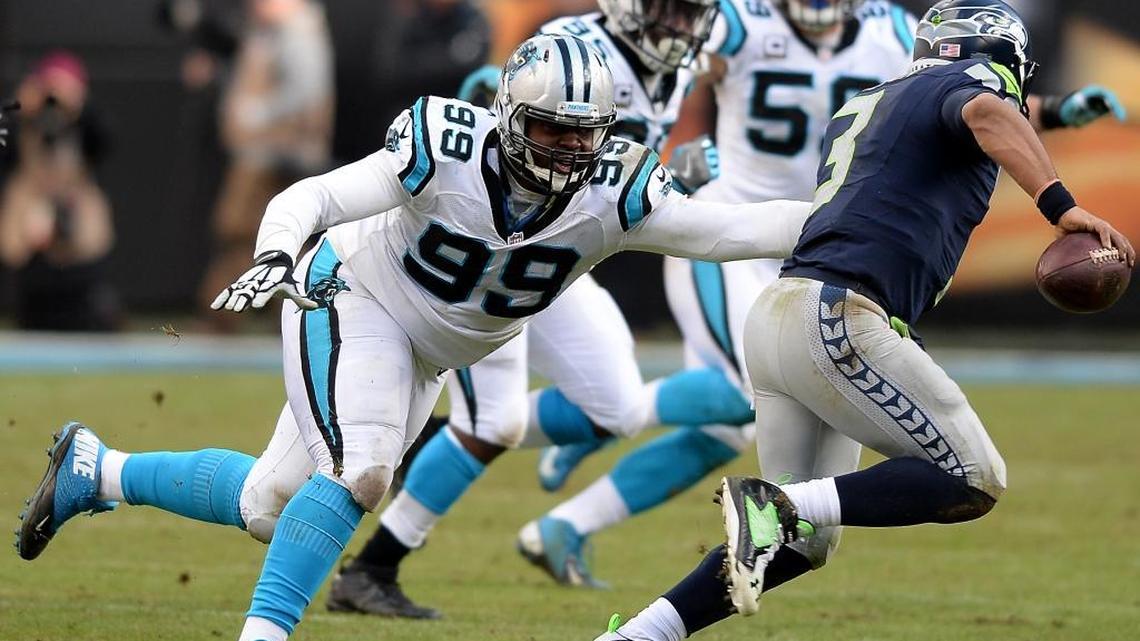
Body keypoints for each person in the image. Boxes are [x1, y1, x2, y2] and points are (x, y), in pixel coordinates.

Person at [16, 34, 812, 641]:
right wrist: (276, 251)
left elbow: (734, 230)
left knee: (267, 503)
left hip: (429, 349)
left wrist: (843, 222)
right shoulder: (446, 146)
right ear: (509, 116)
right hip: (352, 292)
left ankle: (97, 469)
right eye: (551, 130)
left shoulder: (616, 192)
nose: (571, 150)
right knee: (360, 468)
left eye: (585, 134)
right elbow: (314, 197)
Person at [523, 0, 1127, 589]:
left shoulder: (886, 55)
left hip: (806, 250)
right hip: (750, 234)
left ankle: (603, 573)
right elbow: (982, 106)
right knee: (749, 405)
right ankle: (614, 419)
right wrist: (1061, 206)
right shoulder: (747, 20)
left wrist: (1059, 111)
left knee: (772, 500)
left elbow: (971, 107)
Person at [324, 0, 725, 619]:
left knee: (617, 406)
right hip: (492, 253)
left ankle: (432, 438)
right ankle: (373, 568)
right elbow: (492, 114)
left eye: (689, 14)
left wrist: (675, 178)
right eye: (665, 10)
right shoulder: (577, 49)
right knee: (495, 423)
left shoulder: (673, 67)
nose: (678, 27)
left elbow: (612, 177)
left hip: (554, 259)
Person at [196, 0, 334, 333]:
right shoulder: (273, 32)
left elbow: (306, 93)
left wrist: (260, 113)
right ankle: (281, 319)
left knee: (245, 232)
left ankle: (232, 318)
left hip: (276, 156)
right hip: (262, 154)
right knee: (256, 235)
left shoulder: (298, 33)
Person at [0, 52, 119, 331]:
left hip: (75, 206)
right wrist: (18, 107)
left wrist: (78, 107)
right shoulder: (24, 119)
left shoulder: (86, 123)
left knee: (82, 274)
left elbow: (105, 142)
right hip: (30, 208)